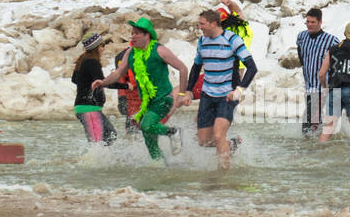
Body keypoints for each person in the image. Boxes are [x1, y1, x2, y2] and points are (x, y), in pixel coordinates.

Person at [93, 17, 189, 161]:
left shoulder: (160, 50)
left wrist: (181, 93)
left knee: (146, 125)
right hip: (146, 102)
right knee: (149, 140)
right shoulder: (130, 53)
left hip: (163, 98)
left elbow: (183, 68)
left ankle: (173, 131)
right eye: (132, 33)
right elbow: (118, 73)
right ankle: (160, 166)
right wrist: (103, 83)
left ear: (147, 35)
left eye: (137, 33)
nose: (133, 36)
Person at [184, 9, 258, 169]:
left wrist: (239, 90)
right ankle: (231, 144)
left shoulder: (233, 40)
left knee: (218, 135)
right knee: (203, 141)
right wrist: (189, 90)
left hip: (227, 95)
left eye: (202, 24)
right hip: (208, 95)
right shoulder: (202, 41)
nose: (200, 27)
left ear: (213, 23)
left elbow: (252, 68)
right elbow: (196, 67)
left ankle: (223, 180)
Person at [296, 7, 338, 136]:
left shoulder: (331, 40)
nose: (309, 24)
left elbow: (338, 62)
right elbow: (300, 54)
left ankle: (308, 150)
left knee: (307, 122)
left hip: (321, 88)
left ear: (320, 22)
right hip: (309, 86)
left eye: (312, 22)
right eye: (307, 22)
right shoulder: (302, 36)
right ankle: (320, 147)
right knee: (315, 119)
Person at [71, 33, 117, 145]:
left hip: (88, 108)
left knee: (111, 134)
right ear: (96, 47)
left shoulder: (82, 60)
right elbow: (103, 82)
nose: (103, 49)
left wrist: (86, 83)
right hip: (88, 108)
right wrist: (125, 86)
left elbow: (74, 79)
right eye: (102, 45)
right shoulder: (92, 62)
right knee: (98, 142)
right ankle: (94, 161)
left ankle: (105, 160)